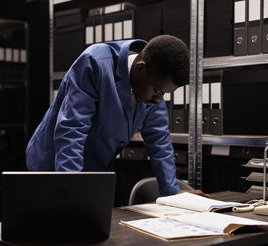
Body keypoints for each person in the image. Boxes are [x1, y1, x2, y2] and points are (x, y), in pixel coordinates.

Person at [26, 34, 197, 196]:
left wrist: (171, 192)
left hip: (90, 172)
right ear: (140, 68)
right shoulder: (95, 63)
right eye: (158, 90)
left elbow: (159, 139)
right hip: (53, 167)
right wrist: (71, 188)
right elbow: (72, 131)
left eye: (165, 93)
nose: (159, 98)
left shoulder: (152, 87)